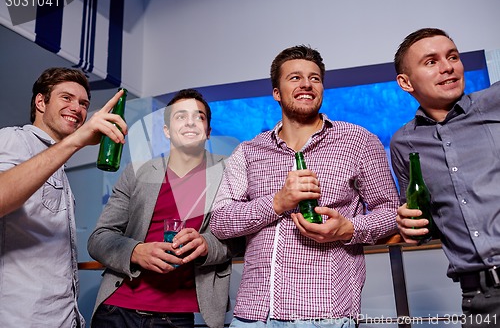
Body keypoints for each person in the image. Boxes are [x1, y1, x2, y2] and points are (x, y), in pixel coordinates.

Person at [210, 45, 399, 327]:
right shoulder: (249, 151)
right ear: (277, 92)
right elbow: (221, 220)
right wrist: (277, 203)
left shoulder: (358, 141)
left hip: (324, 313)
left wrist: (349, 229)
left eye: (315, 78)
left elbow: (391, 210)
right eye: (295, 77)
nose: (307, 84)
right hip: (252, 315)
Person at [87, 89, 245, 328]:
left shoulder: (229, 171)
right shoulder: (137, 172)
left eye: (199, 116)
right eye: (180, 116)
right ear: (167, 131)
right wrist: (135, 252)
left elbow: (241, 238)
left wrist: (206, 245)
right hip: (117, 309)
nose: (190, 122)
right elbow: (99, 238)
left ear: (209, 131)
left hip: (176, 317)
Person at [0, 67, 127, 327]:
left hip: (64, 317)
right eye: (66, 98)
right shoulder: (13, 139)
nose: (77, 108)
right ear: (40, 102)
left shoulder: (57, 163)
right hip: (22, 318)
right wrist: (76, 141)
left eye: (83, 103)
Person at [390, 27, 500, 326]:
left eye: (452, 57)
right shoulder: (404, 143)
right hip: (479, 299)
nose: (447, 66)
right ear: (405, 82)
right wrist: (408, 225)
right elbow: (421, 221)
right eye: (431, 61)